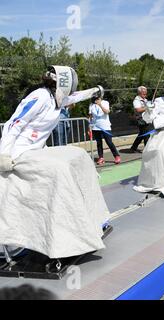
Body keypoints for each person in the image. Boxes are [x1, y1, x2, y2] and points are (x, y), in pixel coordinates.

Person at [0, 66, 109, 259]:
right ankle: (63, 232)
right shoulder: (40, 97)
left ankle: (90, 222)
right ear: (62, 83)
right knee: (60, 169)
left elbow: (76, 97)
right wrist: (4, 154)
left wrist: (95, 91)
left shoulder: (56, 98)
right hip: (18, 153)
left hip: (36, 151)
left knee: (80, 157)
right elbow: (14, 122)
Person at [89, 96, 121, 165]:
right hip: (95, 127)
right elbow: (90, 116)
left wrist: (100, 104)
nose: (96, 100)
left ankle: (116, 156)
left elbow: (107, 112)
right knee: (99, 143)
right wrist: (89, 127)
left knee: (109, 142)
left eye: (98, 98)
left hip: (105, 126)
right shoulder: (91, 105)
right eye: (95, 99)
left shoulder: (105, 102)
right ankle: (101, 157)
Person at [130, 86, 152, 153]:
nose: (145, 95)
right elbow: (138, 109)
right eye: (144, 94)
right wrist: (147, 107)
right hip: (140, 120)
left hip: (146, 119)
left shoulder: (145, 100)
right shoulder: (136, 100)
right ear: (139, 93)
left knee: (142, 134)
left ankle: (133, 147)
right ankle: (147, 150)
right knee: (146, 134)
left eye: (146, 93)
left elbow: (148, 108)